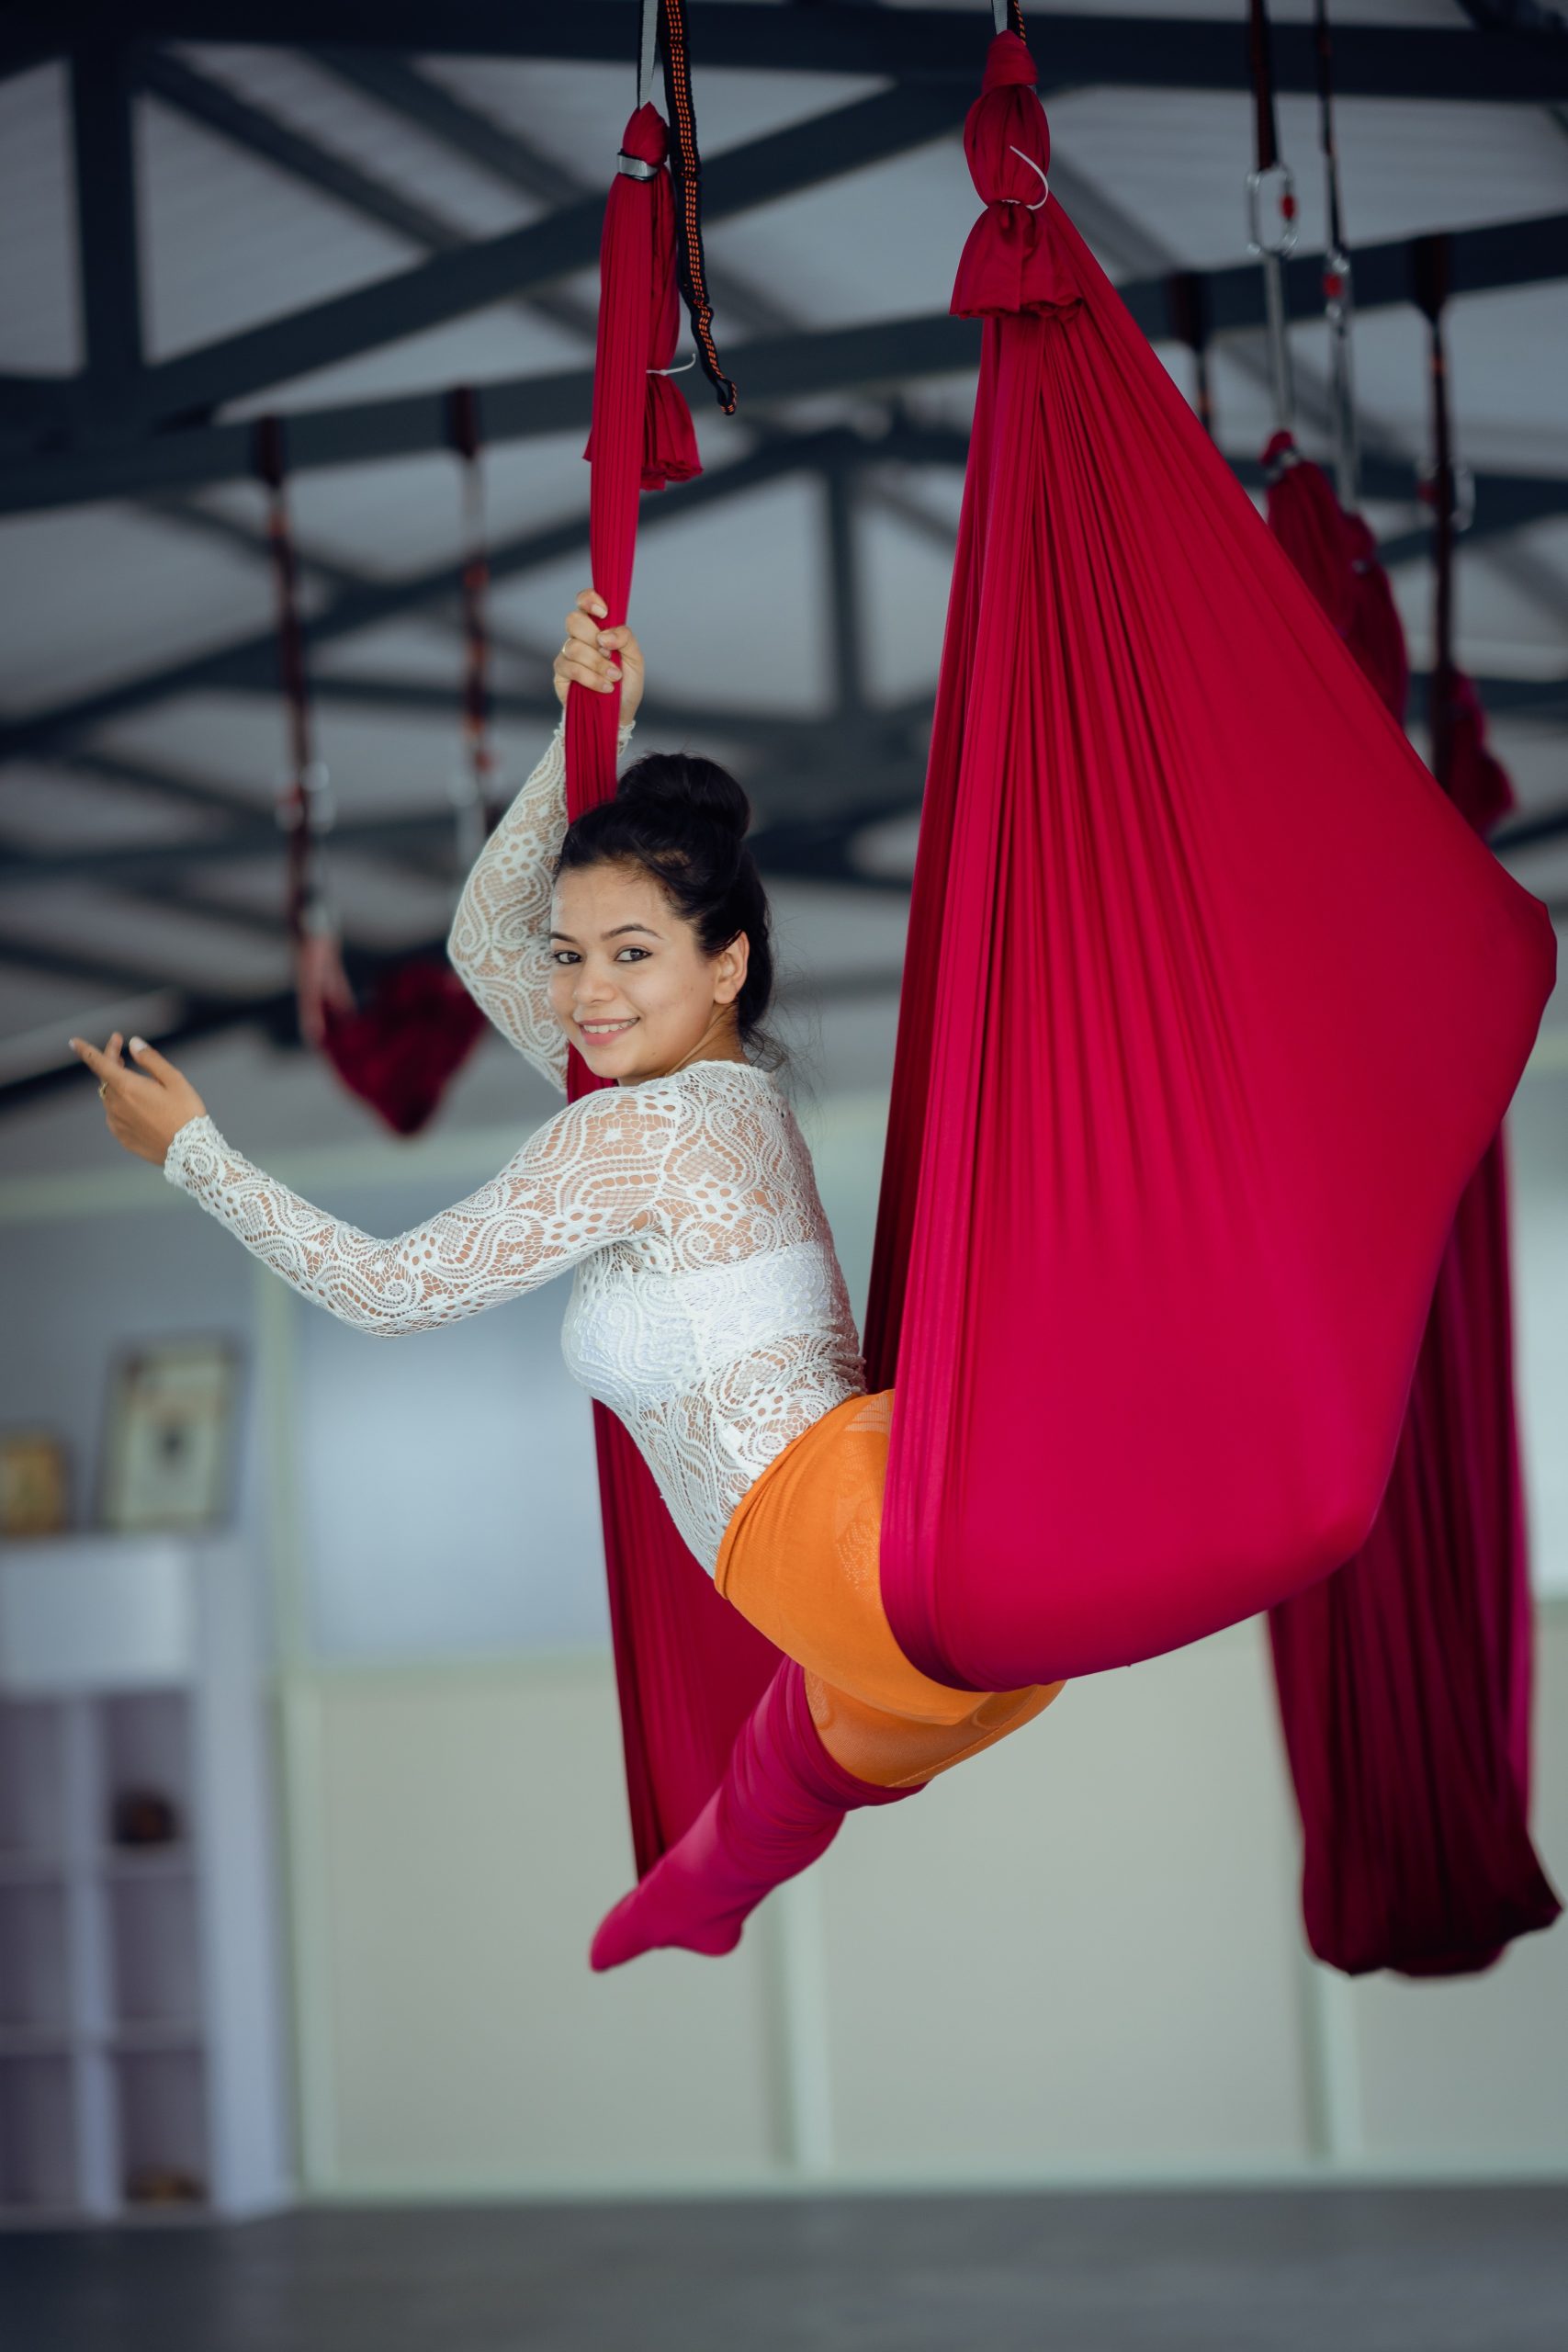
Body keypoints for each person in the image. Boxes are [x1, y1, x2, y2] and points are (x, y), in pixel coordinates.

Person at [69, 589, 1062, 1970]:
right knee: (803, 1759)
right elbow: (489, 946)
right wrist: (584, 734)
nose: (587, 992)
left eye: (633, 954)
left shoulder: (633, 1131)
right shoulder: (722, 1095)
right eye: (576, 955)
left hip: (845, 1556)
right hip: (858, 1567)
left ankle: (697, 1889)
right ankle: (694, 1900)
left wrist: (193, 1155)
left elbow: (389, 1290)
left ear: (728, 962)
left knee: (821, 1746)